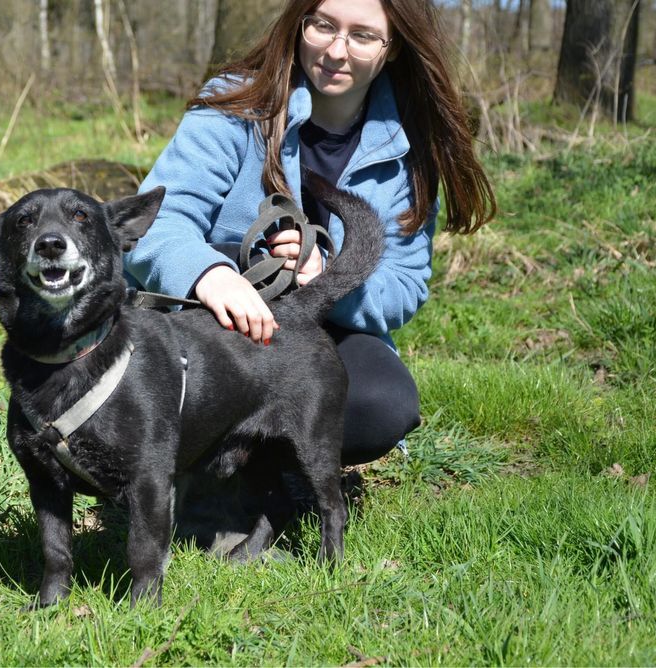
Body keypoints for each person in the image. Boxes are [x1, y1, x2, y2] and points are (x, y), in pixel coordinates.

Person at [124, 0, 496, 465]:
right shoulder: (237, 102)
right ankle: (195, 469)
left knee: (382, 405)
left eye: (362, 36)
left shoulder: (408, 146)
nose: (337, 50)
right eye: (323, 25)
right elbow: (155, 221)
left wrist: (326, 270)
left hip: (321, 330)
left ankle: (269, 472)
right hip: (213, 324)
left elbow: (404, 285)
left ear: (393, 47)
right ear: (301, 23)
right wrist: (210, 274)